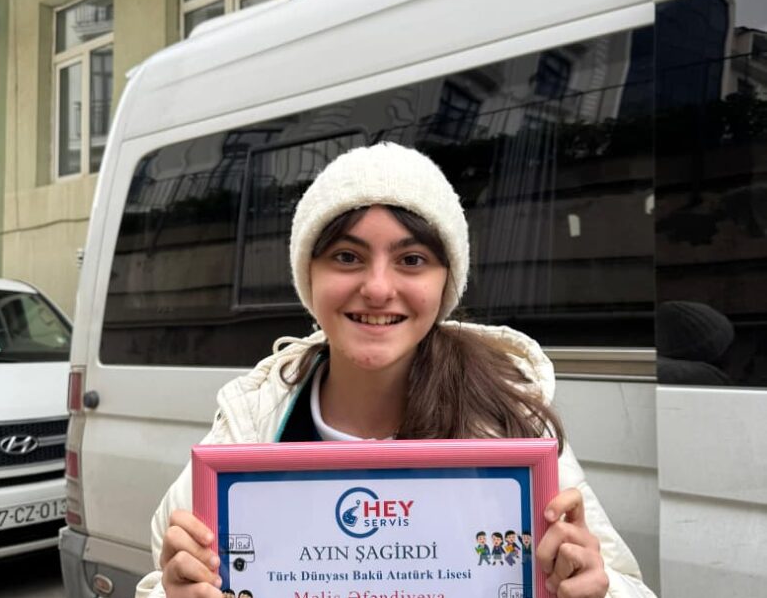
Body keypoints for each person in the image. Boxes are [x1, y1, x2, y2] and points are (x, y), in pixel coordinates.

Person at [135, 142, 655, 598]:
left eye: (411, 260)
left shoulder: (508, 421)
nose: (379, 289)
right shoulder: (251, 423)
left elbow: (622, 584)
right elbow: (163, 582)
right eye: (346, 257)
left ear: (446, 282)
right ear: (308, 276)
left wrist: (593, 588)